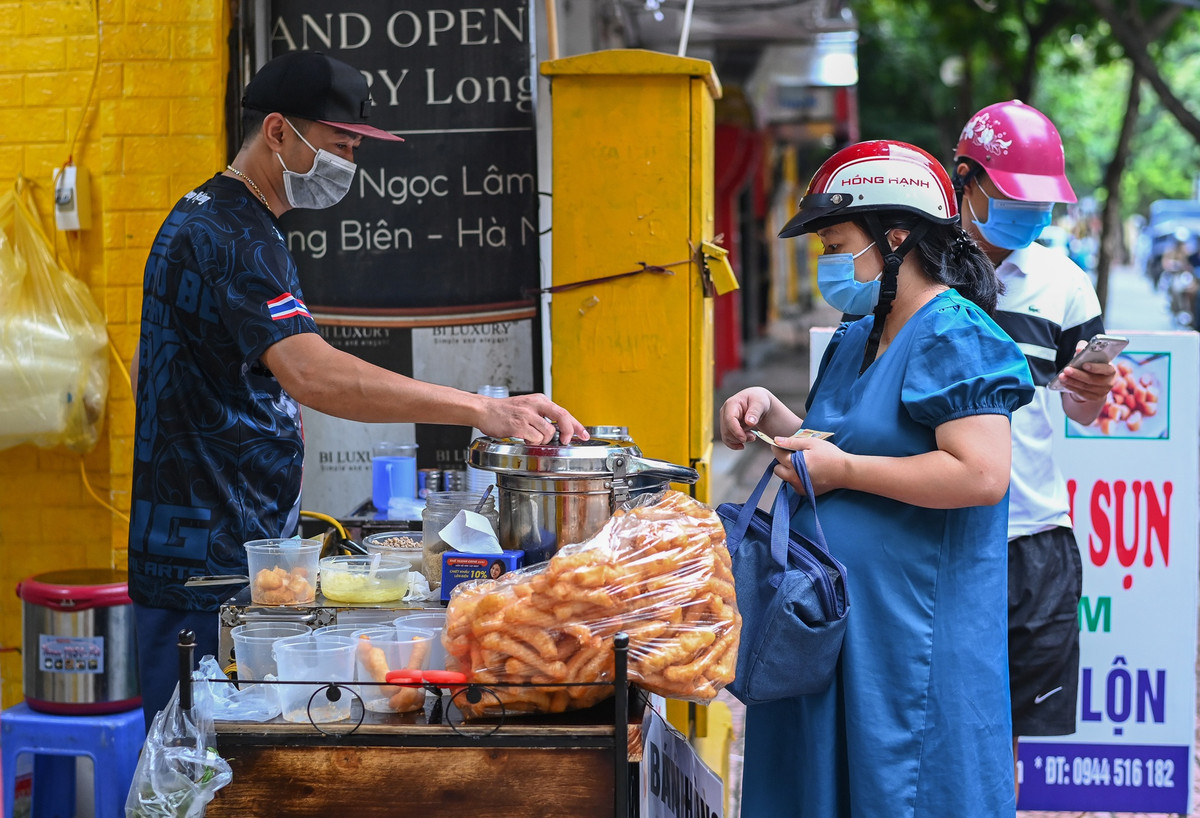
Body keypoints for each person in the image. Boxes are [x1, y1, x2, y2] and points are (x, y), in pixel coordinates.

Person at [128, 50, 588, 727]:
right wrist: (481, 409)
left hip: (208, 546)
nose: (348, 163)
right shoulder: (233, 234)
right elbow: (312, 373)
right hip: (210, 568)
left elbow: (150, 368)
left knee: (202, 757)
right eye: (339, 146)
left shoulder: (210, 216)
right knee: (197, 762)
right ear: (278, 131)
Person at [720, 140, 1034, 816]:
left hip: (908, 639)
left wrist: (844, 472)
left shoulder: (954, 333)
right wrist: (773, 415)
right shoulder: (859, 332)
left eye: (836, 244)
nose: (829, 262)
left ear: (894, 239)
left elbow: (981, 473)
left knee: (903, 787)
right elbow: (846, 439)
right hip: (828, 628)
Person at [954, 100, 1118, 791]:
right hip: (940, 530)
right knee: (940, 718)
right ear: (966, 179)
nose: (1030, 214)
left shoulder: (1065, 283)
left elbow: (1081, 407)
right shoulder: (916, 273)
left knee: (1012, 731)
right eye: (1015, 197)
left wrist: (1091, 386)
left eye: (1040, 202)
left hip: (1033, 537)